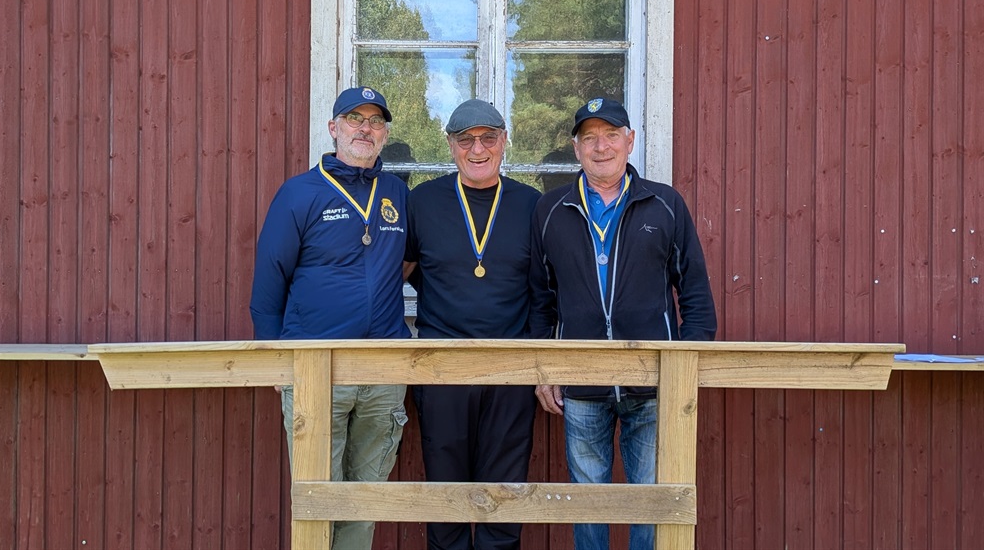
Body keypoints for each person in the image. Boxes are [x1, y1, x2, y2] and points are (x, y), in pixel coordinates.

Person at [529, 97, 717, 550]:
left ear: (630, 141)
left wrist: (683, 369)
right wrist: (544, 369)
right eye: (590, 137)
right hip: (581, 384)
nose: (601, 147)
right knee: (588, 505)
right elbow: (541, 299)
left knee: (649, 504)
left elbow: (695, 294)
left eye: (611, 135)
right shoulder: (551, 209)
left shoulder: (664, 204)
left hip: (652, 383)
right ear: (576, 147)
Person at [249, 87, 410, 550]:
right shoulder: (300, 193)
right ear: (333, 128)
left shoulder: (397, 193)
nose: (365, 129)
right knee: (318, 495)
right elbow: (269, 280)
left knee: (366, 496)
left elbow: (411, 260)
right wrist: (275, 358)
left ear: (384, 134)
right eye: (355, 119)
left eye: (375, 121)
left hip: (383, 368)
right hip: (316, 367)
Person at [405, 99, 540, 550]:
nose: (477, 149)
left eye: (488, 138)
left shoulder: (531, 205)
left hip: (511, 369)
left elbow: (544, 293)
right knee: (447, 500)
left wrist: (543, 366)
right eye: (465, 140)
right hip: (443, 367)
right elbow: (399, 273)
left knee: (503, 498)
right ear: (450, 145)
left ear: (504, 141)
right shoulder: (422, 202)